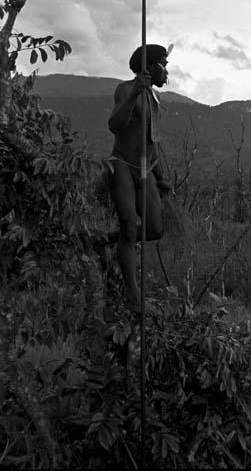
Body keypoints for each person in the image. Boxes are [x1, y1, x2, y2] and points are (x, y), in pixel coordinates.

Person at [106, 44, 171, 311]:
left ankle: (108, 238)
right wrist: (134, 92)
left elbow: (152, 142)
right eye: (163, 65)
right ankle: (133, 293)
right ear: (150, 67)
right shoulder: (125, 89)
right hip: (121, 164)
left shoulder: (154, 101)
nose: (166, 72)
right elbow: (114, 125)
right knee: (131, 226)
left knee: (155, 229)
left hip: (145, 168)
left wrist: (162, 177)